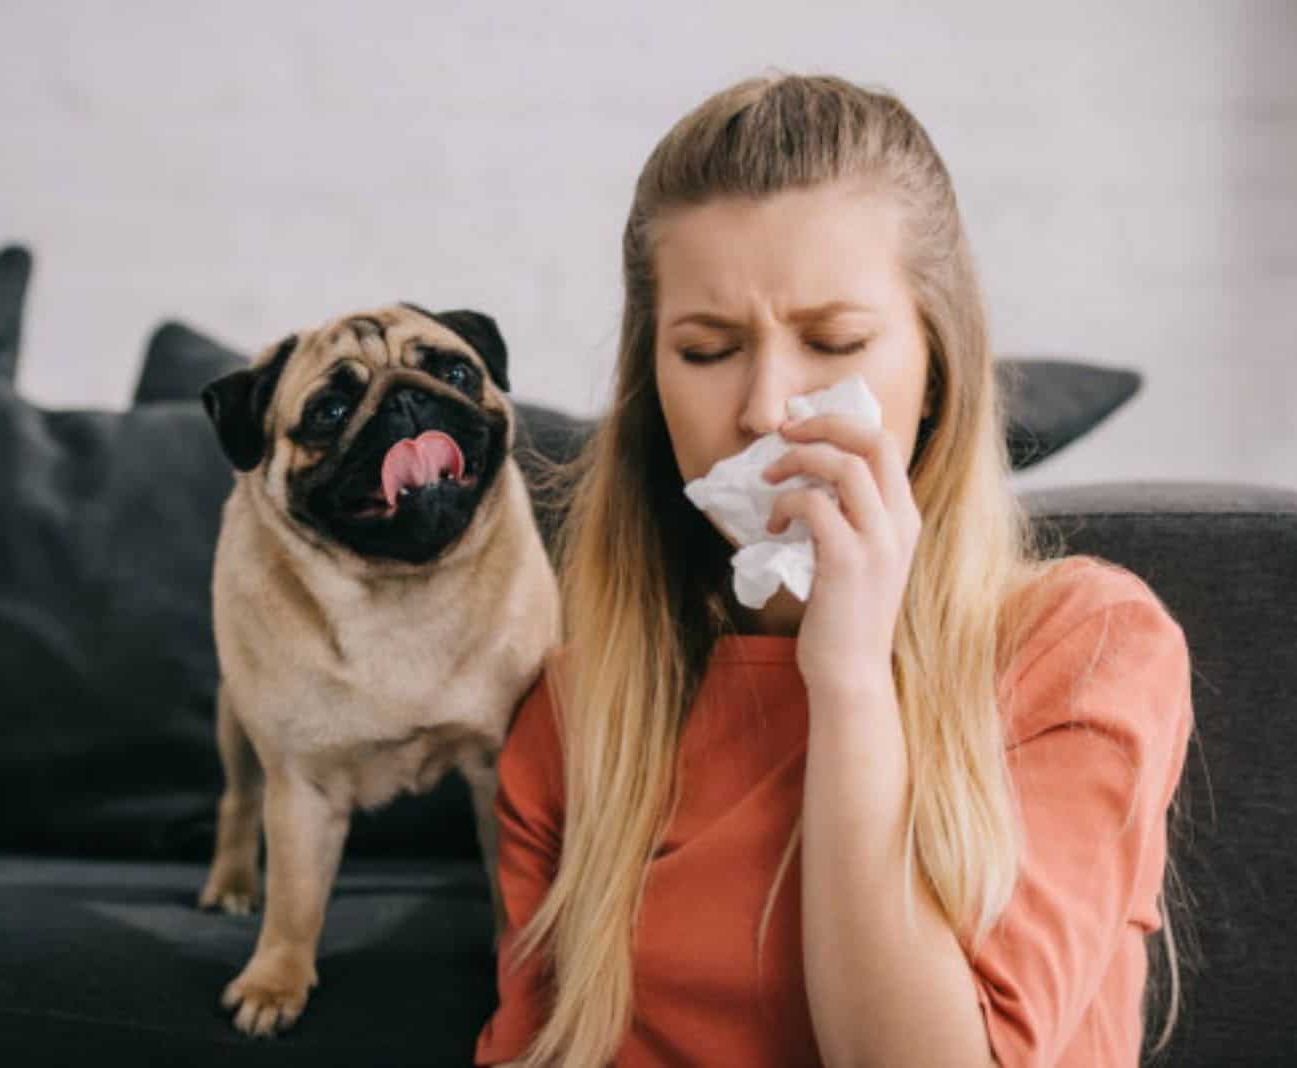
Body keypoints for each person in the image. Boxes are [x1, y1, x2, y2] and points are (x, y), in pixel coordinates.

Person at [474, 71, 1195, 1068]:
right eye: (707, 349)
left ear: (939, 363)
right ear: (650, 386)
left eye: (835, 341)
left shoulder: (1085, 648)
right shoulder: (576, 710)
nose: (768, 406)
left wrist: (852, 676)